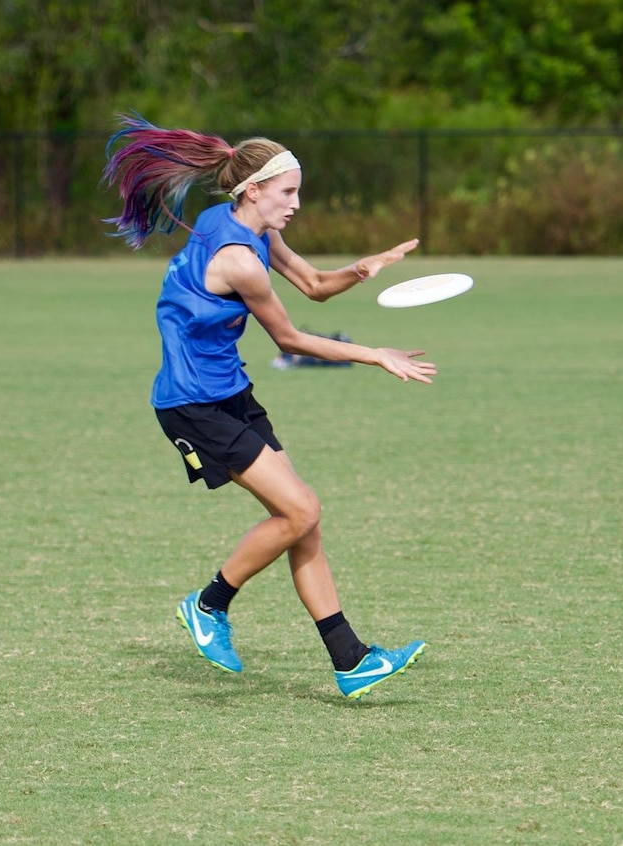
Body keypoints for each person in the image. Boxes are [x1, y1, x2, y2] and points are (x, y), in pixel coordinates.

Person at [103, 114, 435, 699]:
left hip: (229, 392)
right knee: (302, 510)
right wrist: (375, 354)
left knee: (303, 520)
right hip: (191, 404)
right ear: (252, 190)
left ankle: (351, 659)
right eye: (288, 192)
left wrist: (363, 269)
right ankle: (209, 604)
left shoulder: (246, 226)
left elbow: (313, 285)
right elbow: (291, 339)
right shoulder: (239, 260)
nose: (297, 203)